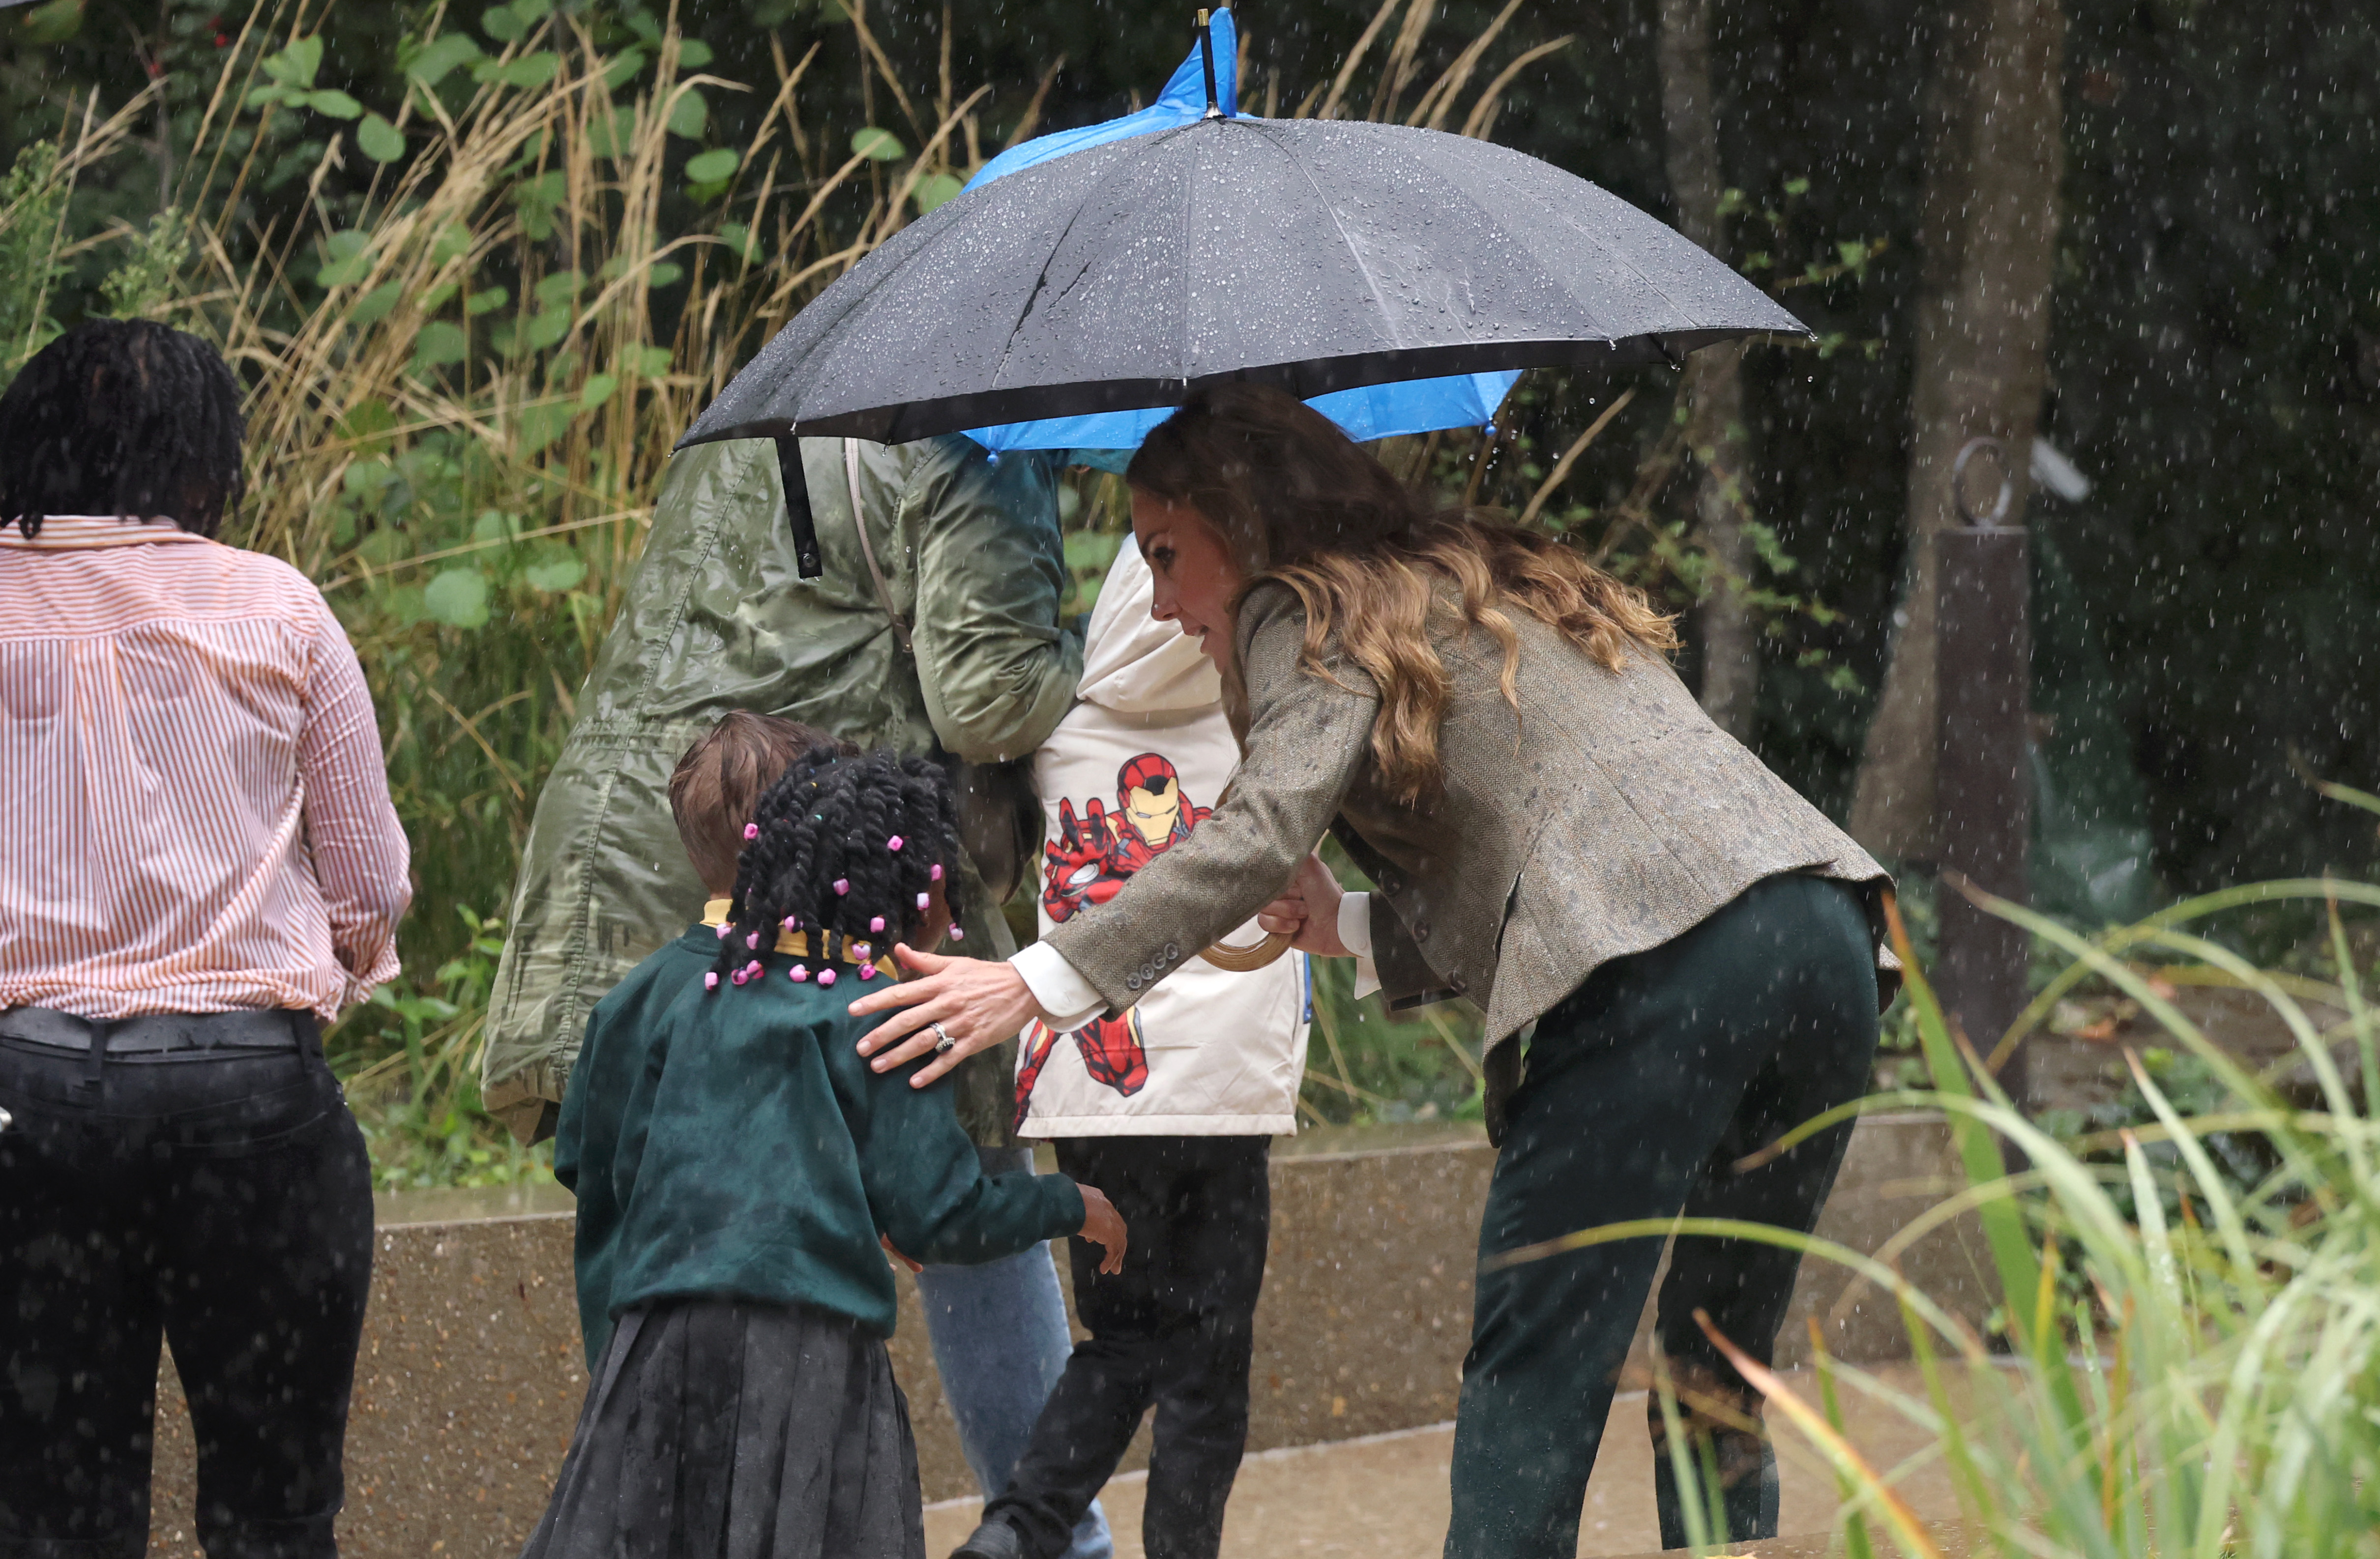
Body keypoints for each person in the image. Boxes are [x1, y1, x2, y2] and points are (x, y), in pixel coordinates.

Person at [848, 384, 1893, 1558]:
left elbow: (1255, 833)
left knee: (1536, 1370)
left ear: (1239, 519)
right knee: (1718, 1364)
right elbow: (1572, 847)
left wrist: (1037, 980)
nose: (1159, 597)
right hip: (1826, 930)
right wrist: (1340, 921)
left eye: (1167, 552)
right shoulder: (1482, 571)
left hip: (1661, 969)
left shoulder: (1300, 605)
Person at [480, 432, 1113, 1555]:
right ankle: (1054, 1536)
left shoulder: (759, 418)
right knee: (966, 1141)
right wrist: (1103, 648)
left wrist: (622, 1380)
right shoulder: (974, 432)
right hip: (824, 856)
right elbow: (987, 694)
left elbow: (601, 1169)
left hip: (630, 849)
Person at [0, 320, 412, 1559]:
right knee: (275, 1511)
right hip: (253, 1110)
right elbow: (371, 884)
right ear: (200, 458)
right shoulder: (277, 603)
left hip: (26, 1111)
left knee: (51, 1518)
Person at [524, 730, 1127, 1557]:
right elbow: (938, 1212)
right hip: (810, 1359)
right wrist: (1071, 1203)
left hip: (656, 1345)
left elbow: (601, 1162)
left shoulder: (672, 994)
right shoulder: (875, 1012)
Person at [954, 539, 1309, 1559]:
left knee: (1118, 1341)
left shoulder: (1054, 723)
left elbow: (1001, 853)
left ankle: (1018, 1528)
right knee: (1208, 1371)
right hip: (1224, 1089)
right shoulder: (1273, 719)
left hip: (1095, 1080)